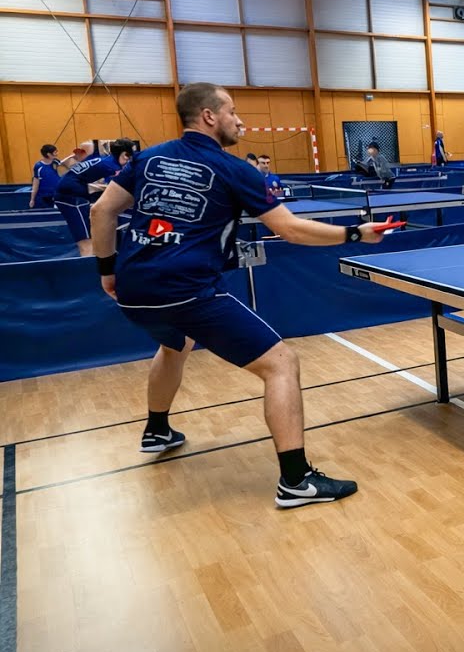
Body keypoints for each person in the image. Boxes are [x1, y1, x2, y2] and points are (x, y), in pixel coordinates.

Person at [88, 82, 385, 509]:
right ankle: (296, 481)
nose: (239, 119)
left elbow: (101, 210)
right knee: (281, 363)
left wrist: (105, 271)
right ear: (209, 116)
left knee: (175, 344)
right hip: (188, 289)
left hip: (135, 289)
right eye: (232, 111)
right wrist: (355, 232)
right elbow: (291, 229)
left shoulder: (147, 159)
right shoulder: (236, 170)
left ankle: (157, 430)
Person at [55, 138, 134, 256]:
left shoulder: (107, 161)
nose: (131, 159)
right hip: (70, 197)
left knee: (93, 236)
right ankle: (90, 270)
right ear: (124, 155)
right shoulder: (112, 167)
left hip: (75, 193)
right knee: (85, 241)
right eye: (130, 156)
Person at [30, 144, 60, 209]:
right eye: (55, 152)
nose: (57, 154)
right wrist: (32, 199)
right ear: (49, 154)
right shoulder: (38, 166)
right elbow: (35, 183)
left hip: (57, 195)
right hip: (44, 196)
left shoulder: (57, 162)